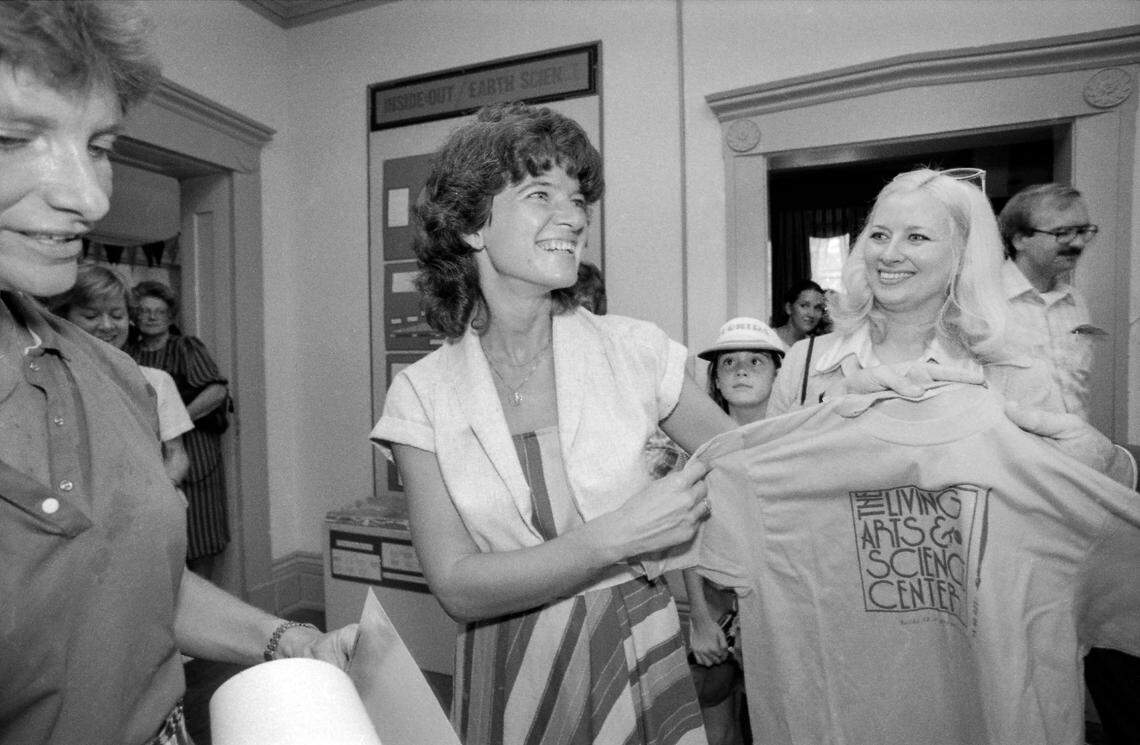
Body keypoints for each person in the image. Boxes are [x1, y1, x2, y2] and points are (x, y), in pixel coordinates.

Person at [0, 4, 354, 744]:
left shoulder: (112, 374)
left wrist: (286, 639)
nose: (91, 197)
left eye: (99, 146)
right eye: (12, 138)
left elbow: (140, 581)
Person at [369, 101, 736, 745]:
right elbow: (457, 586)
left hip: (634, 644)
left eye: (578, 199)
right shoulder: (420, 396)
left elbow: (752, 460)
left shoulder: (637, 352)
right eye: (540, 193)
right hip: (510, 659)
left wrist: (872, 412)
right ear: (471, 225)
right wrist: (615, 537)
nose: (574, 217)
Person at [683, 316, 787, 745]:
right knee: (717, 725)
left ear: (778, 374)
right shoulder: (695, 446)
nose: (741, 370)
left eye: (755, 361)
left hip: (781, 612)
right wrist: (701, 620)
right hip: (718, 607)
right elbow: (688, 536)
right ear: (716, 379)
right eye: (729, 363)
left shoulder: (797, 441)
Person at [47, 264, 192, 489]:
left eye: (117, 315)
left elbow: (176, 455)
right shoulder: (45, 377)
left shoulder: (155, 381)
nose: (107, 325)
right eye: (91, 315)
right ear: (63, 319)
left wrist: (163, 491)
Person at [128, 279, 230, 579]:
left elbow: (216, 391)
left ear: (171, 316)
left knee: (199, 532)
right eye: (144, 311)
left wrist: (173, 419)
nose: (151, 317)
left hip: (195, 455)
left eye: (159, 311)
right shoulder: (129, 353)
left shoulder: (185, 348)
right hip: (149, 453)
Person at [997, 183, 1099, 421]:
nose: (1078, 243)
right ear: (1020, 239)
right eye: (1062, 233)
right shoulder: (982, 301)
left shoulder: (1075, 302)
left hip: (1073, 440)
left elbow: (1076, 388)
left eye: (1083, 231)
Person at [771, 278, 827, 348]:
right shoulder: (768, 340)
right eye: (804, 306)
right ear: (789, 308)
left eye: (818, 308)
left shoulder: (815, 347)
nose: (811, 314)